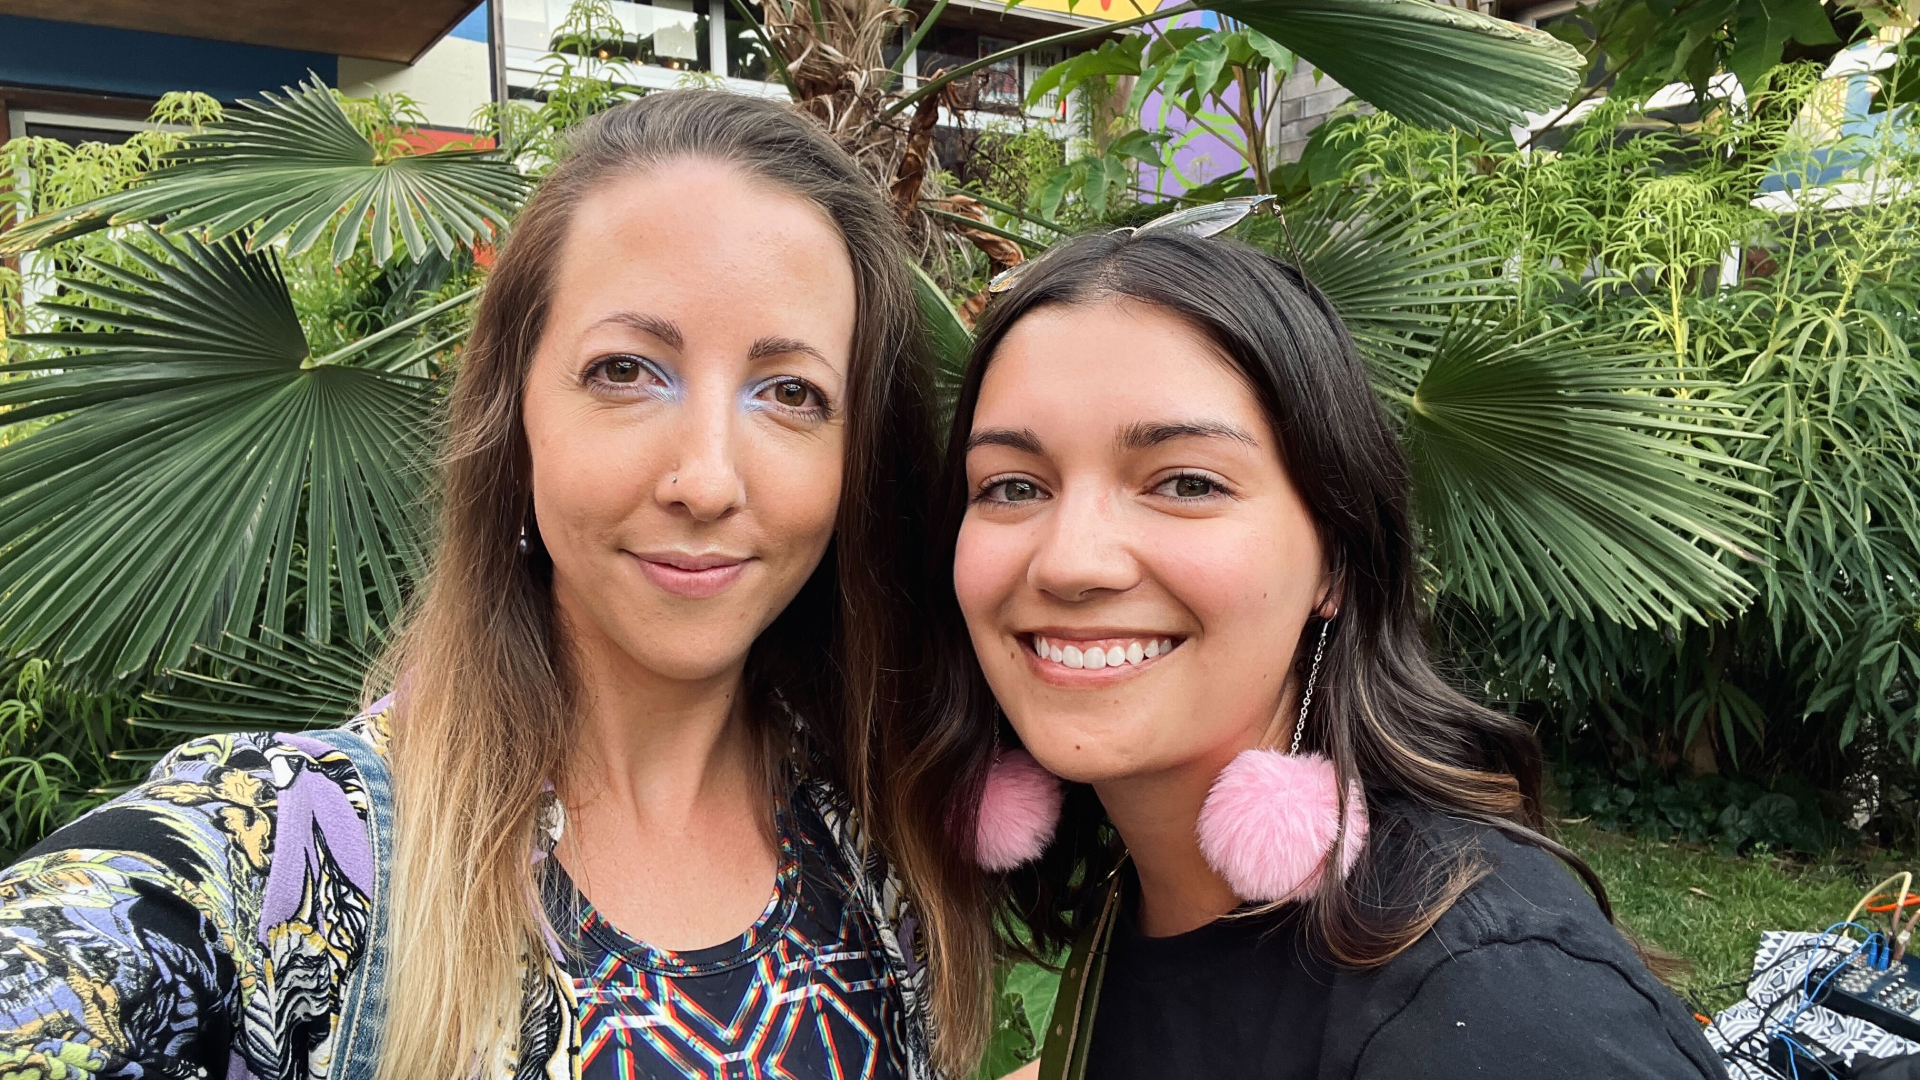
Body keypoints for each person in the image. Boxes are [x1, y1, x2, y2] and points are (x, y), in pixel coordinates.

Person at [0, 91, 996, 1080]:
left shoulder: (884, 837)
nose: (706, 481)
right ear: (514, 417)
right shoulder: (303, 853)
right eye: (625, 370)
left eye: (791, 392)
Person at [931, 223, 1729, 1079]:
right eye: (1013, 487)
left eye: (1187, 483)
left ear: (1335, 561)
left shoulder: (1492, 999)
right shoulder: (1143, 889)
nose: (1070, 562)